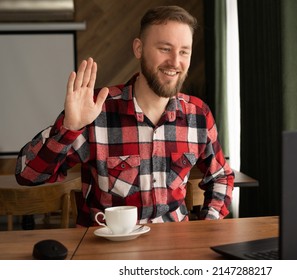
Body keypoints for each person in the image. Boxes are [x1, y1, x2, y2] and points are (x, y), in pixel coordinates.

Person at [15, 5, 234, 226]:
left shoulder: (198, 115)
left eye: (184, 51)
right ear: (139, 49)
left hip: (175, 249)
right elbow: (27, 174)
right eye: (165, 49)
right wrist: (68, 129)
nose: (175, 62)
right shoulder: (96, 112)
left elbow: (221, 177)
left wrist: (208, 227)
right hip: (108, 251)